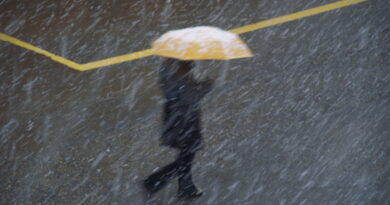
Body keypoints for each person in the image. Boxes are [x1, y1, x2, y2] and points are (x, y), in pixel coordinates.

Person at [143, 58, 213, 199]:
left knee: (186, 152)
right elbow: (191, 95)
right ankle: (155, 180)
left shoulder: (167, 65)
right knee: (187, 153)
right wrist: (206, 86)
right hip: (185, 116)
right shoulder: (181, 70)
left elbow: (171, 88)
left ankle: (185, 186)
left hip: (174, 113)